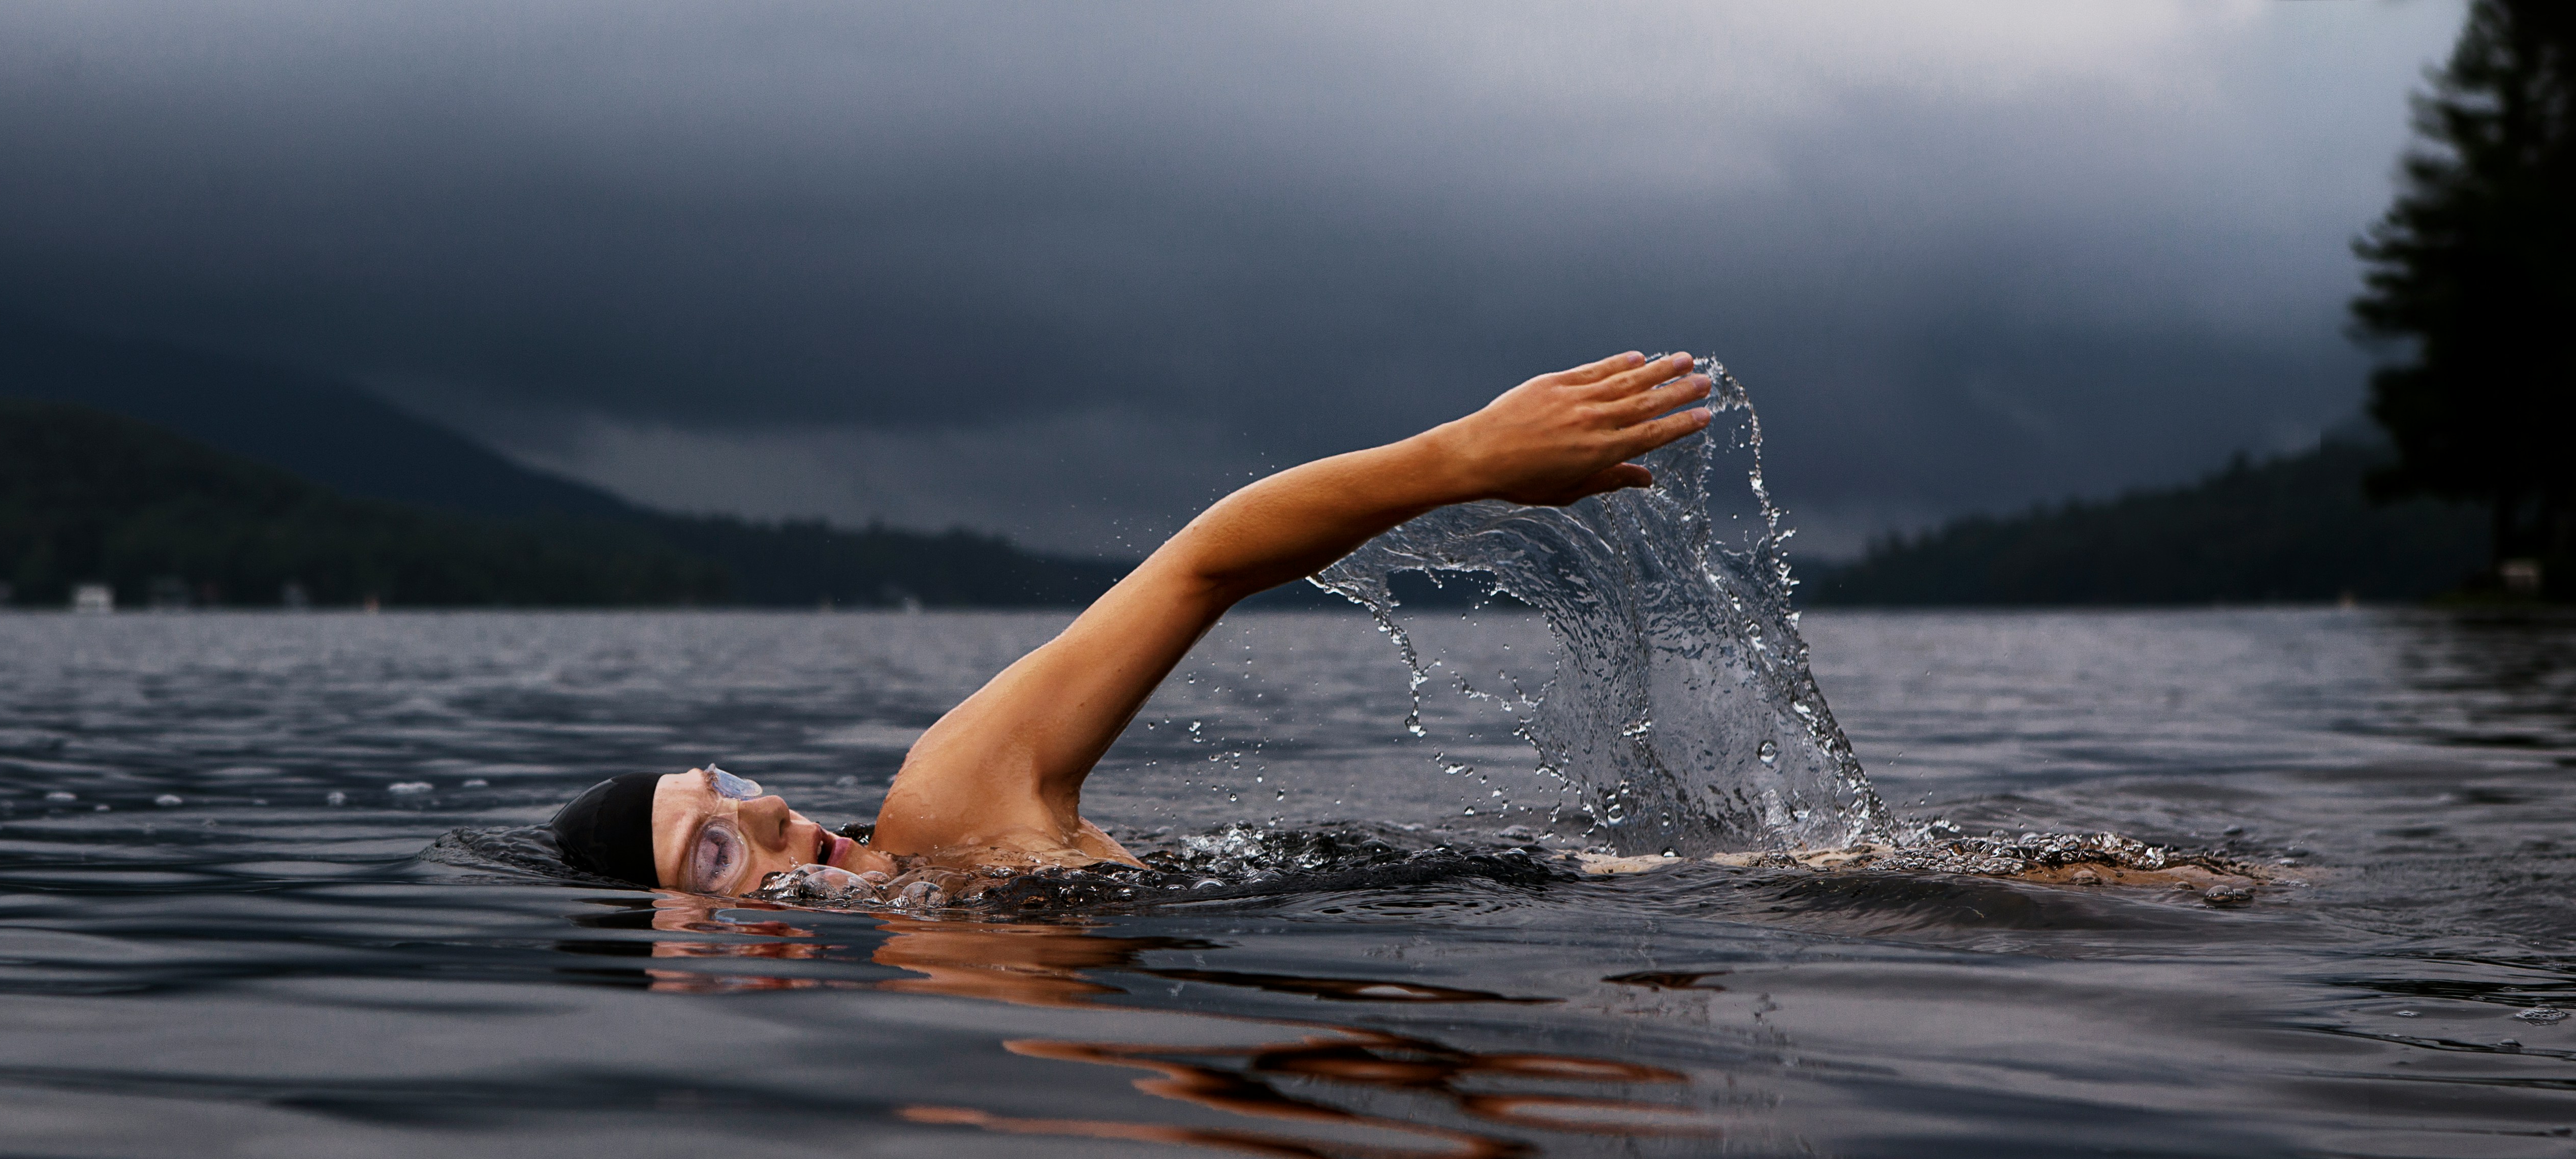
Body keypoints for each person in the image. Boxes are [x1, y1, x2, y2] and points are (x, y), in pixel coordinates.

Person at [551, 351, 1716, 896]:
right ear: (681, 959)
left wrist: (1461, 459)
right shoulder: (936, 1017)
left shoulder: (949, 810)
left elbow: (1200, 566)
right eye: (713, 849)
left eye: (728, 786)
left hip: (1637, 894)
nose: (764, 808)